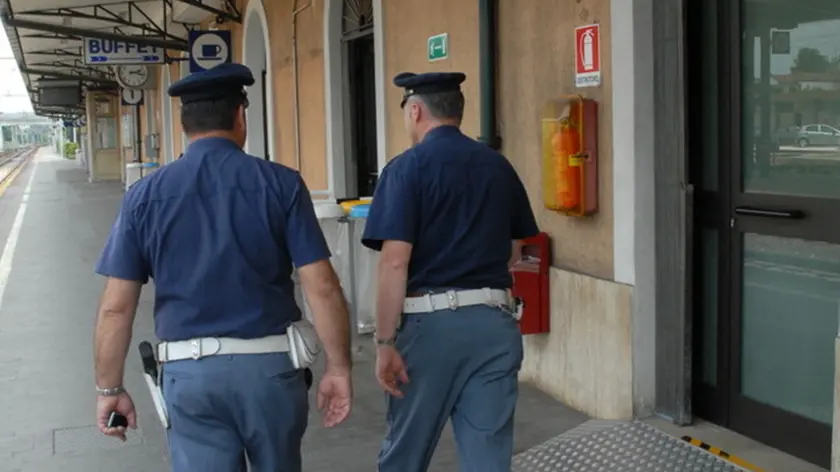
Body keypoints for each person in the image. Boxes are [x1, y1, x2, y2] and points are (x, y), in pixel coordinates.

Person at [92, 63, 353, 472]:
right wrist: (339, 366)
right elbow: (322, 288)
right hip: (270, 372)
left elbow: (116, 308)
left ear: (184, 125)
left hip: (189, 376)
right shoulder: (282, 184)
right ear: (240, 116)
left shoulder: (144, 197)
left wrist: (109, 387)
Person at [363, 71, 540, 472]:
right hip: (494, 323)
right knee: (488, 458)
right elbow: (516, 246)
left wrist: (385, 342)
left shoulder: (406, 169)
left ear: (416, 110)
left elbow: (394, 261)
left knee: (405, 454)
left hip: (429, 329)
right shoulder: (498, 165)